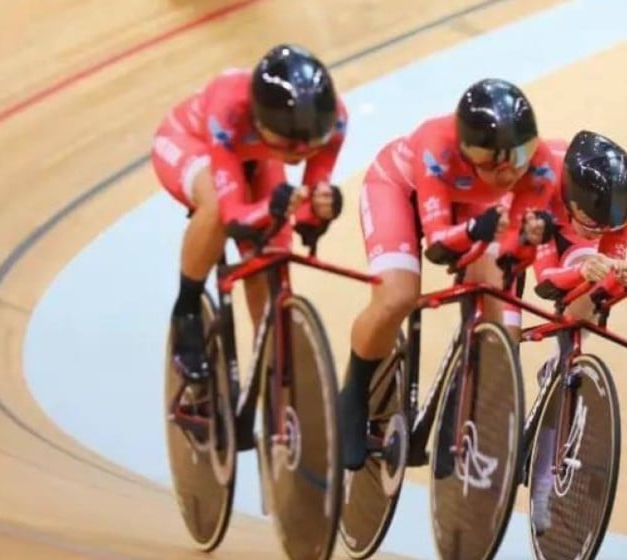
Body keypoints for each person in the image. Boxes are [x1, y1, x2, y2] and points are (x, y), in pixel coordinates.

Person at [337, 77, 559, 473]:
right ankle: (353, 395)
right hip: (399, 192)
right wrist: (478, 232)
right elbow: (439, 245)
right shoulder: (436, 146)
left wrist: (520, 243)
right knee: (397, 297)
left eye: (519, 156)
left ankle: (461, 395)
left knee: (498, 304)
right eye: (492, 160)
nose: (508, 171)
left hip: (471, 209)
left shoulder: (540, 166)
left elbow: (513, 256)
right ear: (466, 149)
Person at [150, 43, 348, 382]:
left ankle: (273, 382)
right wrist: (270, 209)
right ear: (260, 121)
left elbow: (307, 215)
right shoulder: (228, 107)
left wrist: (322, 210)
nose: (301, 153)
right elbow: (234, 216)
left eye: (311, 145)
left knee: (270, 268)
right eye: (289, 144)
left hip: (258, 157)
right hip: (193, 144)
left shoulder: (334, 121)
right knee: (214, 206)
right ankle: (186, 311)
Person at [529, 129, 627, 534]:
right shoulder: (544, 185)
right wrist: (578, 270)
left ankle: (557, 368)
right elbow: (543, 281)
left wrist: (621, 282)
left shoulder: (616, 214)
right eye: (595, 225)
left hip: (568, 235)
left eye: (608, 227)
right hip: (526, 221)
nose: (603, 233)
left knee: (586, 306)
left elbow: (601, 294)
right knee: (502, 303)